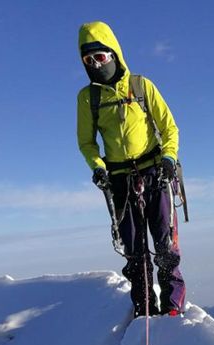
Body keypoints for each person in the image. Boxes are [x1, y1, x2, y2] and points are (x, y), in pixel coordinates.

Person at [76, 21, 186, 317]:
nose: (95, 64)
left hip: (155, 172)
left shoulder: (141, 86)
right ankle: (144, 307)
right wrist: (97, 166)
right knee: (134, 251)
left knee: (163, 244)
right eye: (88, 59)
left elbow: (169, 127)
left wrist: (169, 157)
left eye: (100, 56)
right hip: (119, 181)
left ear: (113, 53)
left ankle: (173, 304)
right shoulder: (88, 98)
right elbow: (86, 143)